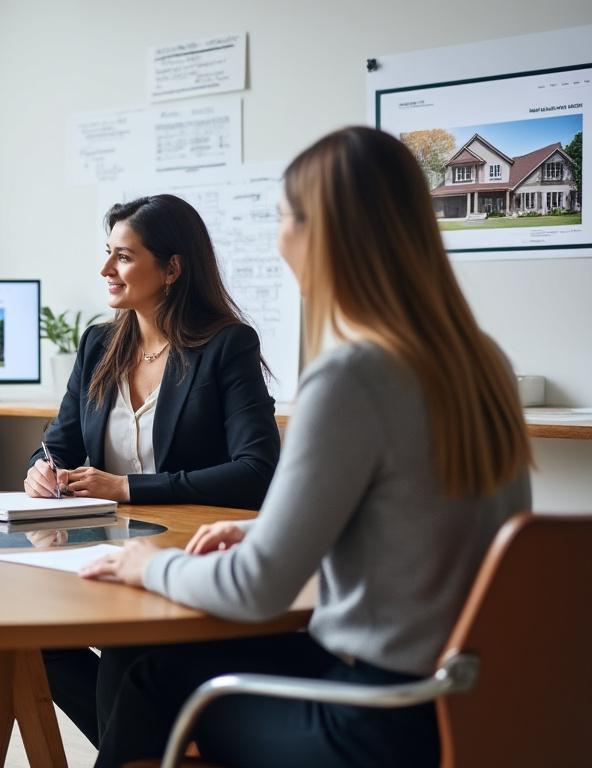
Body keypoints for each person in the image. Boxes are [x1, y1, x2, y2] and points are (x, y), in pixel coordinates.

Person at [80, 127, 532, 768]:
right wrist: (279, 531)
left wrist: (141, 566)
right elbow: (418, 530)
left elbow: (254, 592)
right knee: (156, 663)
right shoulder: (482, 361)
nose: (279, 240)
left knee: (151, 679)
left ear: (324, 234)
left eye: (284, 219)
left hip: (375, 718)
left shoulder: (352, 374)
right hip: (470, 696)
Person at [24, 194, 281, 744]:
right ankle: (144, 749)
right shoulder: (99, 344)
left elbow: (257, 471)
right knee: (26, 634)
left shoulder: (226, 345)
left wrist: (128, 487)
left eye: (122, 256)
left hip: (186, 552)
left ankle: (138, 749)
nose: (105, 270)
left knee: (130, 651)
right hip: (98, 546)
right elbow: (57, 444)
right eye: (107, 253)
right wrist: (40, 471)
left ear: (171, 268)